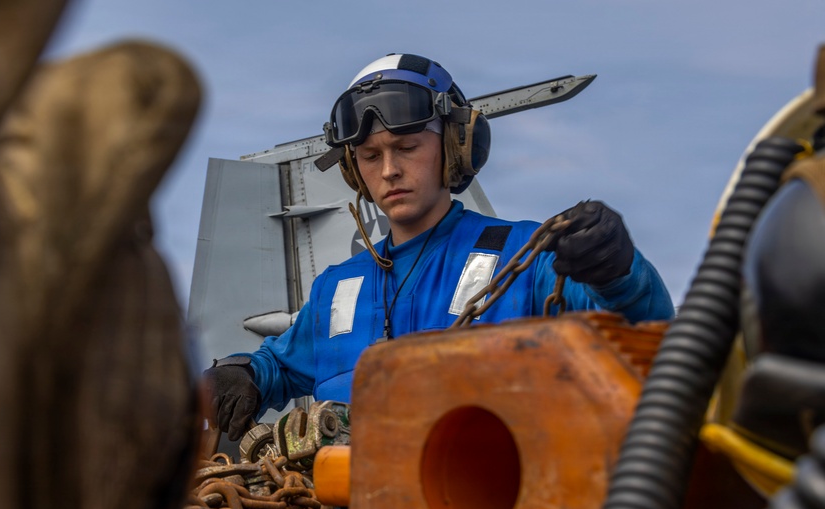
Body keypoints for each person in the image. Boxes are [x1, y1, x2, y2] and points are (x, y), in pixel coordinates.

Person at [204, 53, 675, 441]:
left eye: (407, 148)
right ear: (353, 169)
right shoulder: (336, 289)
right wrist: (241, 373)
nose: (388, 170)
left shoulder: (527, 257)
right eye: (370, 156)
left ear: (454, 146)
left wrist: (618, 270)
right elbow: (279, 365)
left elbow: (641, 334)